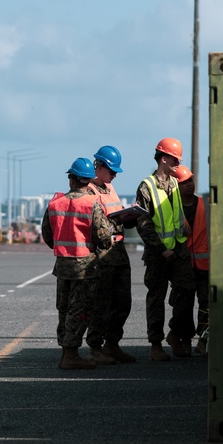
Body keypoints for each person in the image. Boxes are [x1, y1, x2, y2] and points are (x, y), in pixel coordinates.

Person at [41, 157, 112, 371]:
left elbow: (47, 235)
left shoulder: (55, 203)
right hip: (85, 268)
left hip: (63, 265)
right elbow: (104, 237)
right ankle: (71, 355)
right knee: (79, 311)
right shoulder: (92, 204)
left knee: (64, 309)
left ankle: (66, 354)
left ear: (72, 179)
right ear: (88, 181)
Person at [136, 136, 195, 361]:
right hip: (158, 253)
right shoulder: (146, 186)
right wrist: (161, 249)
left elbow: (175, 214)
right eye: (174, 159)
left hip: (178, 248)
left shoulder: (173, 183)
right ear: (163, 159)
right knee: (156, 299)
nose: (178, 164)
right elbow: (144, 223)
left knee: (187, 291)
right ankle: (155, 345)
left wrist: (184, 226)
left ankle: (176, 333)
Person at [85, 144, 136, 365]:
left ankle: (112, 345)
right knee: (101, 305)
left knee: (123, 303)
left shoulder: (109, 188)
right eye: (112, 171)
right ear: (99, 167)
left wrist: (129, 216)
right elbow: (94, 225)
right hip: (102, 257)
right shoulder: (89, 191)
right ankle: (96, 347)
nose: (114, 176)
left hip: (118, 254)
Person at [171, 165, 209, 354]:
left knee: (206, 303)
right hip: (182, 264)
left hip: (205, 265)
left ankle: (204, 340)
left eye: (190, 182)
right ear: (176, 186)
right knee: (183, 304)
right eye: (184, 183)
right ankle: (183, 339)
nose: (189, 186)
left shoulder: (207, 205)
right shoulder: (171, 208)